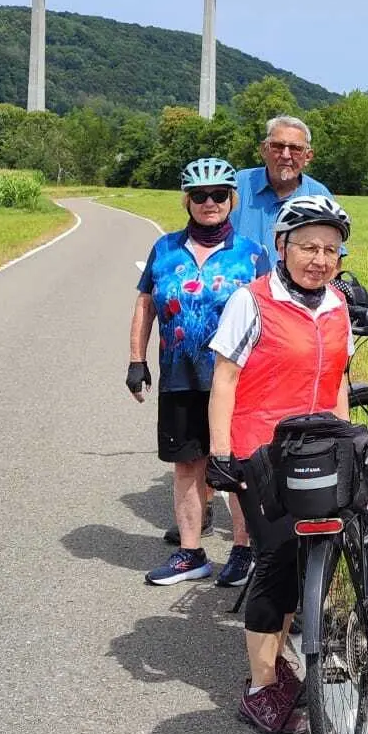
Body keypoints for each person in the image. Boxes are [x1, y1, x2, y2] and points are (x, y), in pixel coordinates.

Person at [205, 194, 356, 734]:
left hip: (318, 449)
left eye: (330, 250)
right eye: (308, 247)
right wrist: (221, 454)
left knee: (307, 558)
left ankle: (289, 656)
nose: (319, 258)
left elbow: (337, 377)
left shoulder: (337, 304)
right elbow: (224, 378)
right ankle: (260, 687)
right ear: (282, 247)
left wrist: (347, 439)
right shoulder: (253, 300)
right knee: (274, 563)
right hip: (261, 451)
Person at [128, 157, 271, 588]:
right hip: (180, 378)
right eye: (199, 196)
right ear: (187, 201)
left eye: (218, 195)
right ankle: (191, 552)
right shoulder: (165, 249)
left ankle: (244, 551)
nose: (209, 203)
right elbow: (145, 305)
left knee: (239, 468)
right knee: (187, 466)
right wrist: (137, 359)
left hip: (237, 381)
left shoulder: (252, 254)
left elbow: (270, 314)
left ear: (232, 200)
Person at [233, 114, 332, 254]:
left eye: (295, 148)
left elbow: (333, 256)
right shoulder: (238, 185)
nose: (286, 155)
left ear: (308, 157)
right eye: (278, 146)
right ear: (263, 150)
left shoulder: (319, 195)